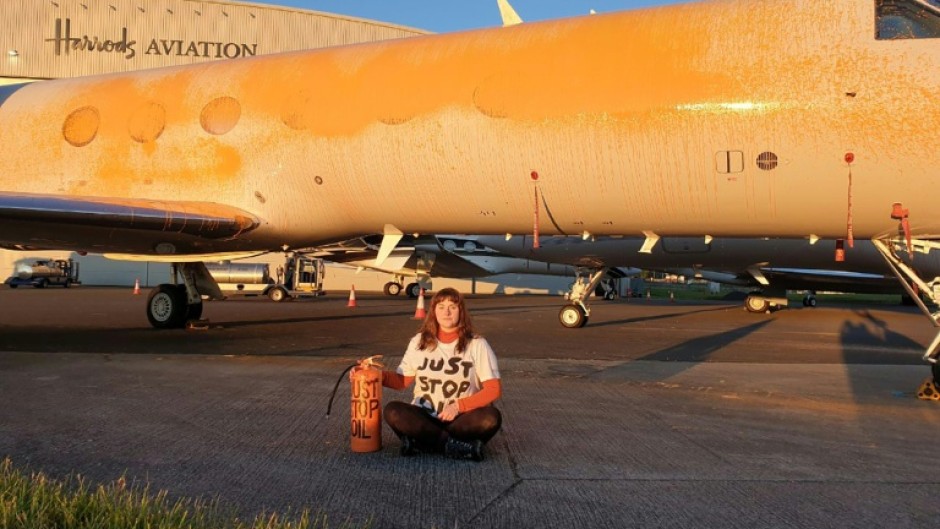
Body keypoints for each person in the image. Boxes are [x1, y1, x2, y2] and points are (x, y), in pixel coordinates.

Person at [381, 287, 502, 461]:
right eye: (441, 306)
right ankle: (455, 446)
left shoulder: (477, 344)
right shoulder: (419, 341)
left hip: (461, 419)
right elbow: (402, 380)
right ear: (433, 311)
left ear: (461, 311)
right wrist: (375, 375)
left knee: (491, 417)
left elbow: (493, 390)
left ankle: (422, 443)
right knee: (393, 411)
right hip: (425, 417)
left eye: (453, 307)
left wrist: (458, 406)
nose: (446, 312)